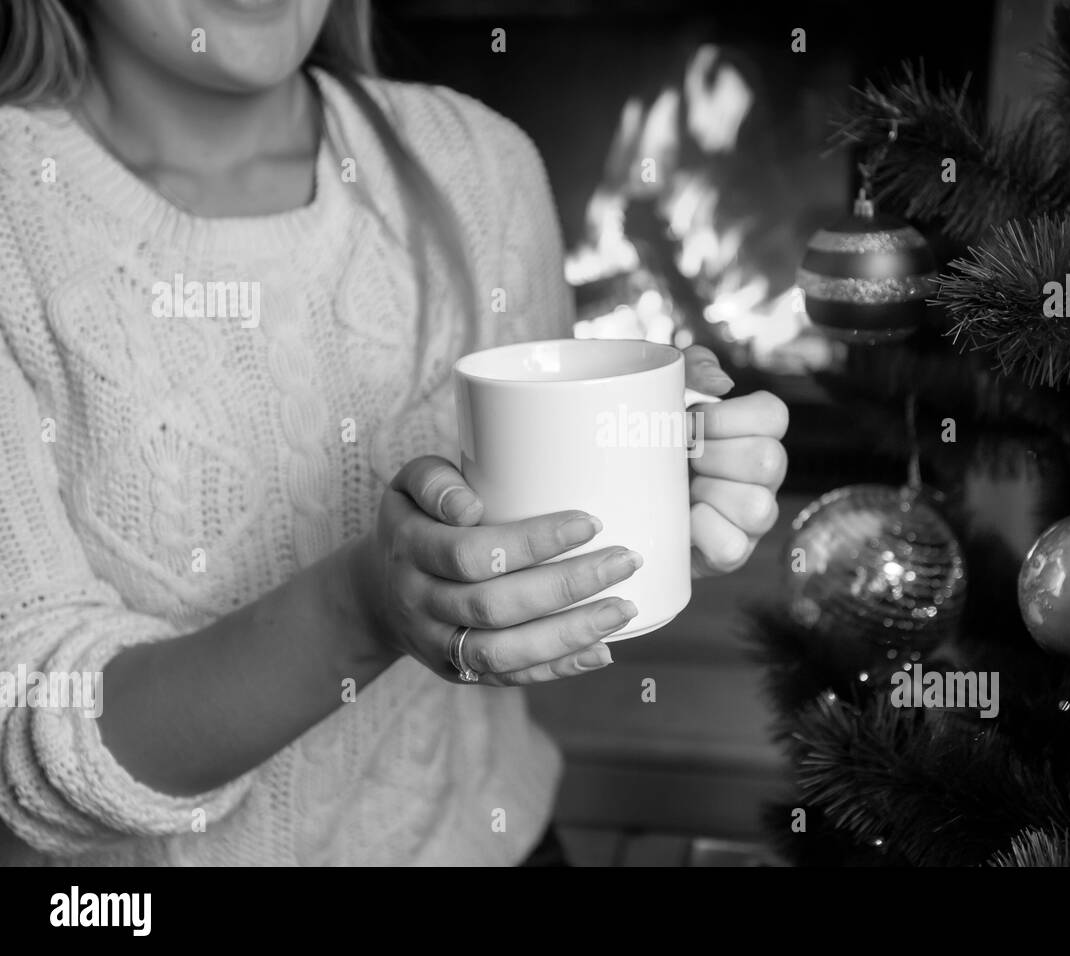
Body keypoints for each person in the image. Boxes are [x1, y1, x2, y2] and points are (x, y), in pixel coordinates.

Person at [0, 0, 789, 865]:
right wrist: (365, 607)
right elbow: (28, 737)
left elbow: (534, 555)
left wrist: (649, 495)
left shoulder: (478, 165)